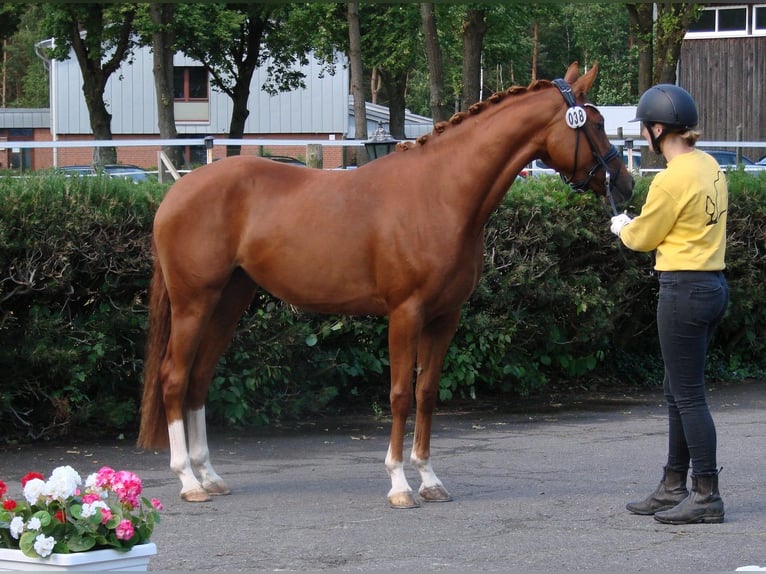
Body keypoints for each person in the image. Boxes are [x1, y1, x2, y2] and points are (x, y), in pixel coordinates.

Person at [609, 84, 728, 525]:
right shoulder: (710, 165)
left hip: (683, 290)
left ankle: (706, 494)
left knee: (689, 396)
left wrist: (623, 226)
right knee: (677, 391)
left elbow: (643, 238)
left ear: (658, 129)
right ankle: (674, 485)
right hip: (712, 284)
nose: (643, 136)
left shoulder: (670, 178)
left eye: (645, 129)